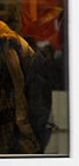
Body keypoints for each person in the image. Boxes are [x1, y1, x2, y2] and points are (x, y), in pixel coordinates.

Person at [0, 21, 43, 153]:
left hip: (18, 116)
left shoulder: (7, 44)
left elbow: (19, 86)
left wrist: (25, 129)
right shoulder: (11, 42)